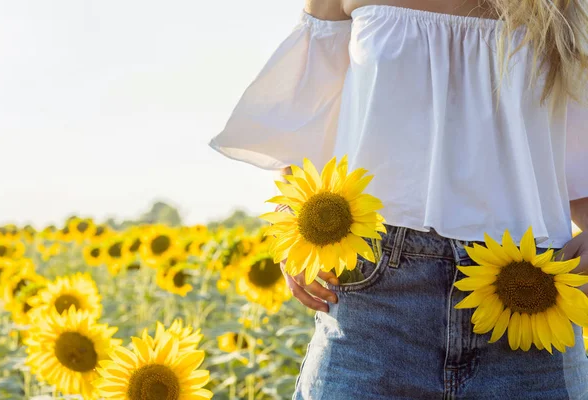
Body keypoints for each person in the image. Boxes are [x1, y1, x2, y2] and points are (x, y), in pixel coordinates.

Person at [209, 0, 588, 398]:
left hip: (531, 305)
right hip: (374, 301)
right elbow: (301, 123)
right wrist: (295, 221)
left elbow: (575, 142)